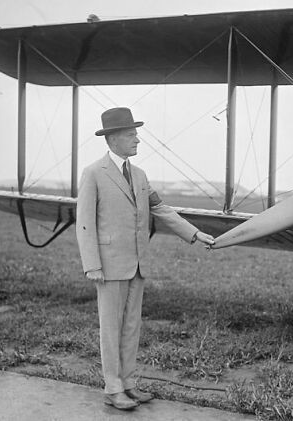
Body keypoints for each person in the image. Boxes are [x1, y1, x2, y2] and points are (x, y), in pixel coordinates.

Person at [75, 107, 215, 411]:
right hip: (109, 266)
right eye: (131, 134)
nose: (137, 139)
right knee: (110, 329)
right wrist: (92, 265)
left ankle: (128, 384)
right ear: (112, 139)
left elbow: (162, 210)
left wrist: (195, 234)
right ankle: (113, 390)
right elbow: (84, 222)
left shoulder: (139, 175)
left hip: (137, 265)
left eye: (136, 133)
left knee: (131, 328)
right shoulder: (93, 173)